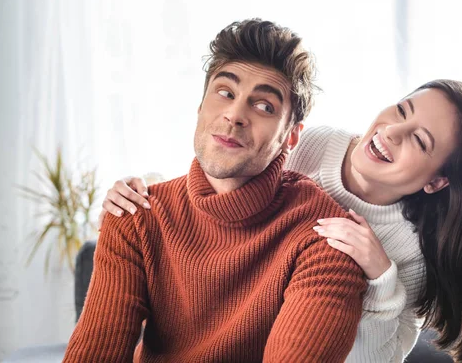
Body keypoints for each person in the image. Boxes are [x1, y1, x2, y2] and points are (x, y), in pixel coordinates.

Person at [103, 79, 462, 362]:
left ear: (438, 181)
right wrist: (143, 194)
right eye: (402, 110)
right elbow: (223, 187)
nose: (392, 132)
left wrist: (381, 282)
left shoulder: (412, 252)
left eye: (420, 141)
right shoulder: (318, 143)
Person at [63, 19, 369, 363]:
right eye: (225, 93)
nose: (235, 114)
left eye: (264, 106)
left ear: (291, 136)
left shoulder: (325, 236)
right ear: (200, 107)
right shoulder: (135, 214)